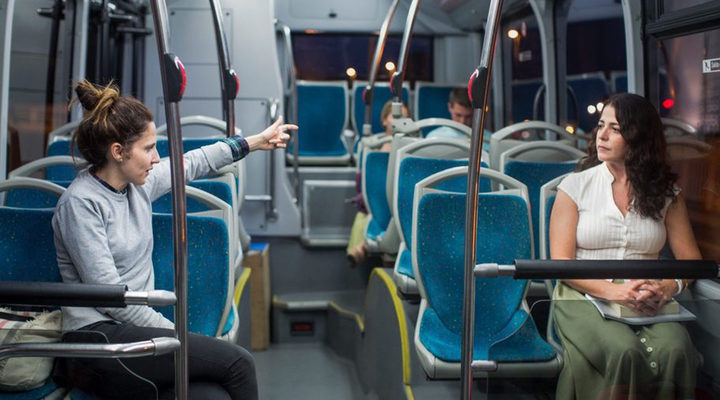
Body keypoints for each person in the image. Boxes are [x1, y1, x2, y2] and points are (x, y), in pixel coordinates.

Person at [51, 80, 295, 400]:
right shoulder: (81, 203)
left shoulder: (138, 186)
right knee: (238, 363)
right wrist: (174, 335)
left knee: (211, 396)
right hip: (98, 343)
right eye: (149, 148)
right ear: (118, 152)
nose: (155, 159)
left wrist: (255, 141)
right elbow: (112, 297)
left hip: (133, 334)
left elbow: (191, 162)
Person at [549, 93, 701, 400]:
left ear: (638, 137)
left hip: (647, 293)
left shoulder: (667, 193)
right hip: (583, 292)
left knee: (677, 349)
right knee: (624, 351)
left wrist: (667, 288)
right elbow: (561, 264)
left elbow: (691, 260)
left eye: (615, 129)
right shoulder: (574, 187)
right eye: (601, 125)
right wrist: (616, 292)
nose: (601, 135)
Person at [346, 100, 410, 265]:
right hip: (380, 202)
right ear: (384, 120)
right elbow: (364, 185)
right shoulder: (373, 147)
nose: (398, 121)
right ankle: (367, 246)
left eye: (403, 117)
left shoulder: (411, 150)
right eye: (395, 116)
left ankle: (364, 247)